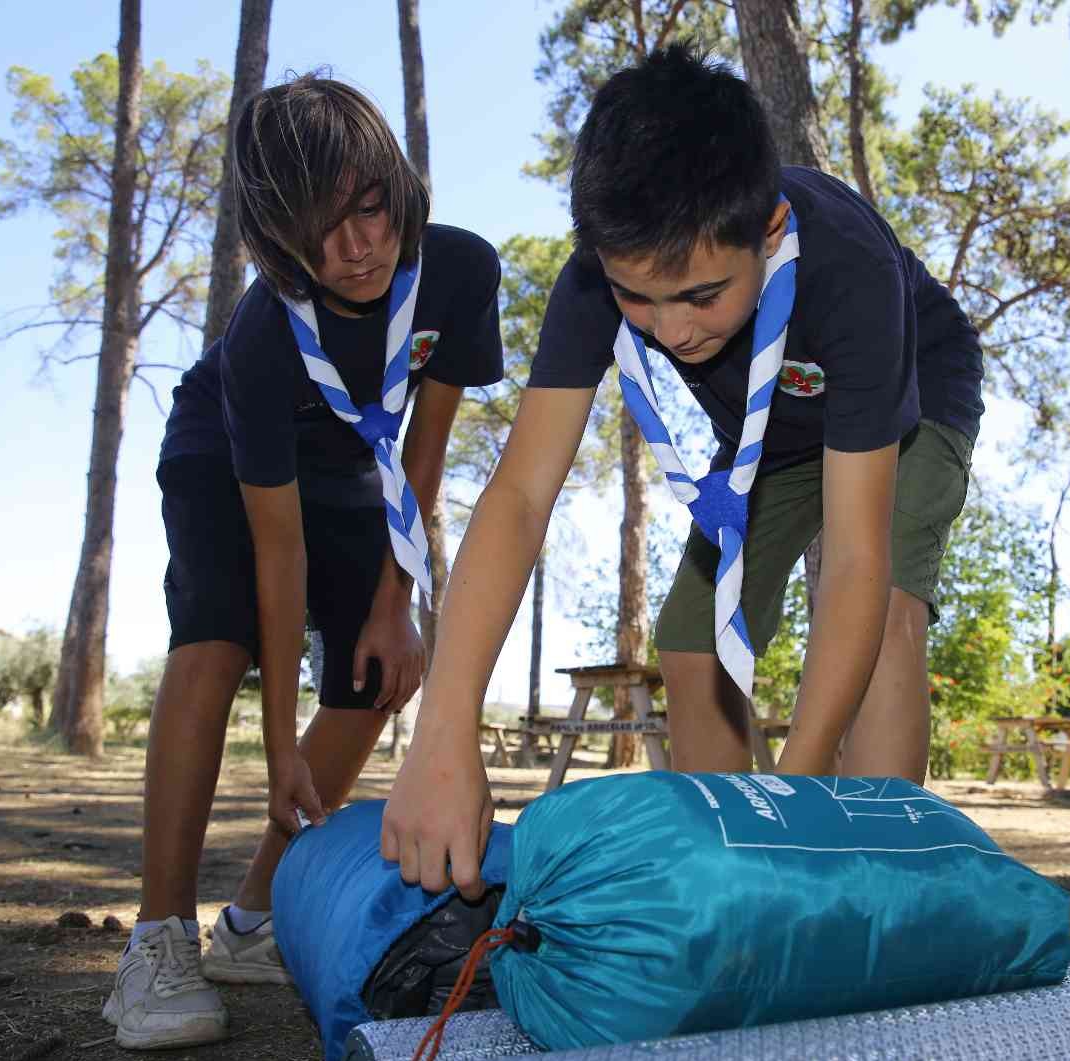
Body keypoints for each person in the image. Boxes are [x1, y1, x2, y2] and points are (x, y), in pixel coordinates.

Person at [381, 45, 983, 903]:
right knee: (691, 634)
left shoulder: (847, 266)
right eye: (639, 297)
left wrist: (799, 796)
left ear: (768, 230)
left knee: (886, 610)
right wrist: (443, 727)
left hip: (912, 403)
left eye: (701, 295)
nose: (672, 331)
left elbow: (852, 555)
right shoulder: (598, 276)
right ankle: (731, 873)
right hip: (771, 430)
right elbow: (517, 496)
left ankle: (875, 879)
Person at [101, 75, 502, 1051]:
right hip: (229, 451)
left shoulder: (459, 271)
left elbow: (424, 456)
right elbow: (276, 558)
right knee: (213, 639)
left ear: (397, 192)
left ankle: (250, 920)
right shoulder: (260, 339)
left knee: (375, 671)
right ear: (278, 240)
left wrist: (394, 604)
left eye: (368, 209)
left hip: (352, 462)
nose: (356, 247)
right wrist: (279, 742)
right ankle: (156, 944)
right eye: (319, 229)